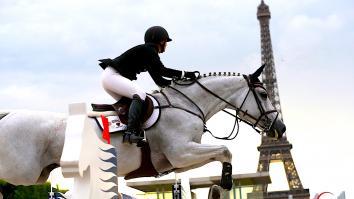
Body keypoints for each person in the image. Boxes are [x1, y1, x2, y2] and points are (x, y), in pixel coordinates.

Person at [98, 26, 198, 144]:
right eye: (166, 42)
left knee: (134, 104)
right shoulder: (149, 51)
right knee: (140, 95)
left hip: (110, 78)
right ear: (161, 41)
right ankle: (130, 133)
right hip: (112, 76)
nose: (166, 45)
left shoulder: (147, 53)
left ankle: (132, 131)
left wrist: (179, 83)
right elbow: (162, 70)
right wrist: (184, 74)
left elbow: (159, 81)